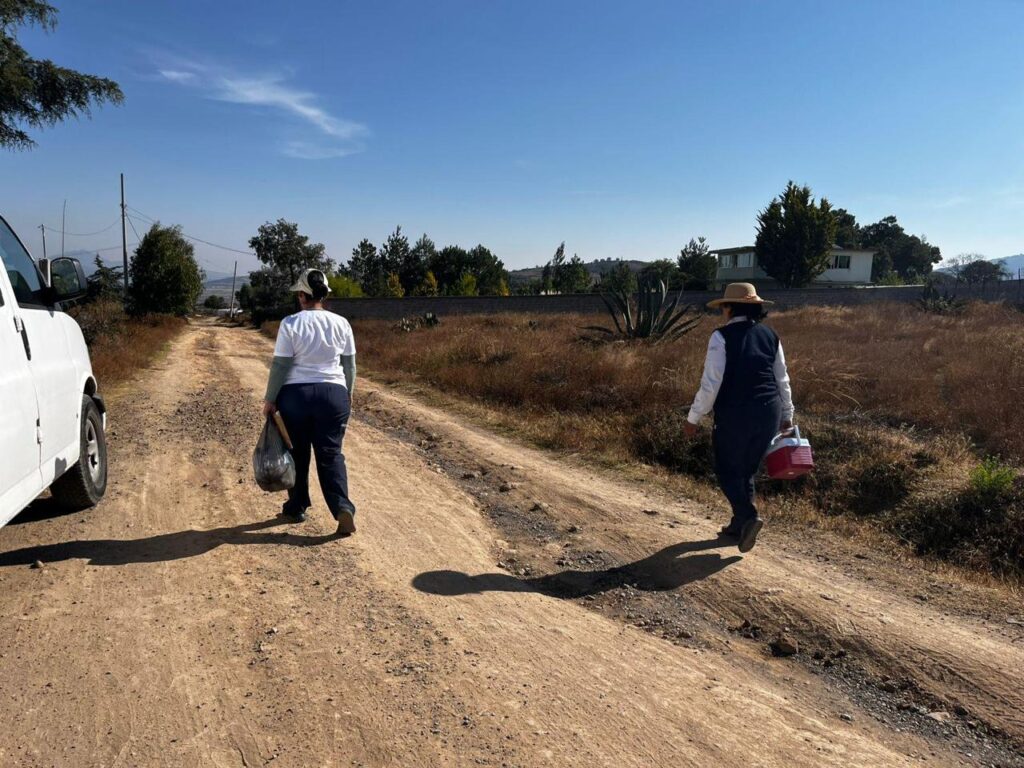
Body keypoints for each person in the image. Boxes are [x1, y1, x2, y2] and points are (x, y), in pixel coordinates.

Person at [683, 282, 794, 553]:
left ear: (730, 308)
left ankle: (748, 516)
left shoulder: (721, 337)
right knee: (746, 470)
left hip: (736, 413)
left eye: (724, 307)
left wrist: (693, 418)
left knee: (725, 470)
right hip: (770, 410)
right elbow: (782, 378)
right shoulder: (770, 335)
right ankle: (738, 525)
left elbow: (711, 383)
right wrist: (788, 414)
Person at [262, 269, 358, 537]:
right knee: (330, 455)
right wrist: (348, 394)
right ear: (323, 295)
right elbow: (349, 366)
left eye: (299, 293)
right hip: (333, 396)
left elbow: (281, 365)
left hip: (297, 396)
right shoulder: (342, 323)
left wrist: (270, 400)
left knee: (298, 453)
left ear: (303, 295)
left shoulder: (291, 323)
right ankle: (342, 508)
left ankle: (297, 506)